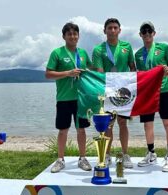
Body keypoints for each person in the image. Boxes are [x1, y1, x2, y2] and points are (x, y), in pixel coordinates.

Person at [45, 22, 92, 173]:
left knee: (81, 130)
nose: (72, 36)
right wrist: (68, 73)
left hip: (81, 99)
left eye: (75, 33)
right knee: (63, 130)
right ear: (64, 36)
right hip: (64, 98)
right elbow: (48, 74)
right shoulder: (57, 53)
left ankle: (82, 158)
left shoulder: (83, 53)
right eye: (69, 34)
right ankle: (60, 160)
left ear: (78, 36)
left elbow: (92, 71)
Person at [92, 18, 136, 168]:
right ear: (104, 31)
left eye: (115, 28)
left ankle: (125, 154)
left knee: (123, 123)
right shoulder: (99, 50)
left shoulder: (127, 47)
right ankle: (108, 154)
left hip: (124, 91)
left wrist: (134, 88)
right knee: (108, 125)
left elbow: (132, 68)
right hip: (107, 90)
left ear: (119, 30)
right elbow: (98, 72)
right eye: (109, 28)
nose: (112, 30)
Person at [135, 21, 168, 172]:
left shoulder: (164, 48)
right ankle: (151, 153)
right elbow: (140, 76)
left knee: (167, 123)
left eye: (149, 31)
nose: (147, 34)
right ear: (140, 34)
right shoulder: (138, 54)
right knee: (147, 124)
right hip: (147, 93)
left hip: (164, 90)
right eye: (144, 31)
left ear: (154, 33)